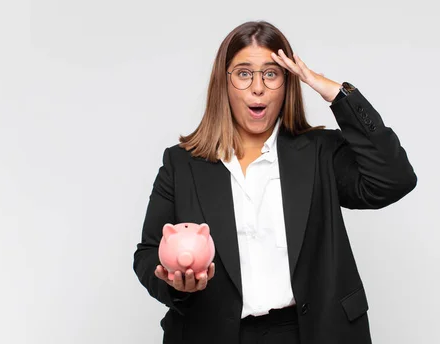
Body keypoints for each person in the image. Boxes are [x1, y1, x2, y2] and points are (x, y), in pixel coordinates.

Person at [133, 20, 417, 344]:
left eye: (271, 73)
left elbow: (394, 178)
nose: (258, 87)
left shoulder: (319, 152)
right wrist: (175, 282)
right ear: (223, 84)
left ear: (287, 82)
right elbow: (148, 253)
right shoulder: (182, 164)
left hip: (307, 333)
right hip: (215, 333)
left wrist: (336, 92)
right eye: (243, 73)